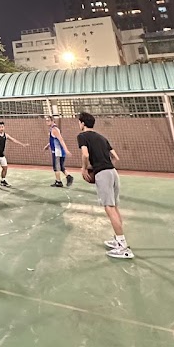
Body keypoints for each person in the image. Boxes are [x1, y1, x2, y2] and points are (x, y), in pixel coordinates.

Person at [77, 111, 133, 259]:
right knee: (114, 207)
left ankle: (123, 247)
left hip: (103, 174)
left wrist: (84, 168)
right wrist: (107, 166)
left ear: (82, 123)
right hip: (113, 172)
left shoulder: (82, 136)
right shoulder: (102, 137)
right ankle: (118, 239)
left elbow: (86, 154)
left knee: (109, 208)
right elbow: (116, 157)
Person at [44, 115, 73, 188]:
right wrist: (48, 145)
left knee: (56, 166)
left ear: (52, 121)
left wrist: (66, 150)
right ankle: (68, 176)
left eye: (48, 121)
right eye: (46, 121)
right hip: (58, 151)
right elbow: (54, 140)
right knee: (61, 166)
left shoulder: (54, 129)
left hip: (58, 152)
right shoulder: (52, 129)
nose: (47, 122)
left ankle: (58, 181)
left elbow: (61, 139)